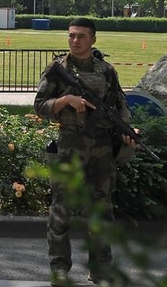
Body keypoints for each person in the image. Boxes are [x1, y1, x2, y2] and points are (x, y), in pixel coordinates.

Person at [34, 17, 136, 286]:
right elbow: (39, 105)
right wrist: (66, 100)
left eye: (81, 36)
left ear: (93, 39)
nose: (75, 41)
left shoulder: (106, 71)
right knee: (61, 210)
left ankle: (101, 269)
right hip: (69, 147)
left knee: (102, 212)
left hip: (101, 150)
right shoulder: (58, 69)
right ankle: (59, 268)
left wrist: (128, 131)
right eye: (71, 36)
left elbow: (119, 106)